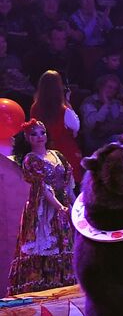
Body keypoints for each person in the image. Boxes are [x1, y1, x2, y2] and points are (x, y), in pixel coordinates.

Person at [7, 120, 77, 294]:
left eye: (42, 133)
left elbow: (68, 183)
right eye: (34, 134)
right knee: (46, 246)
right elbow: (43, 187)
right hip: (43, 209)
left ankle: (66, 285)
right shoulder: (31, 160)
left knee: (66, 243)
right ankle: (45, 287)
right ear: (27, 138)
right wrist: (59, 207)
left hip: (63, 204)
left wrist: (74, 205)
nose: (39, 137)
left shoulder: (57, 155)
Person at [29, 70, 83, 173]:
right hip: (64, 153)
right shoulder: (64, 110)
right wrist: (67, 102)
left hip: (43, 152)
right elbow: (76, 126)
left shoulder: (34, 107)